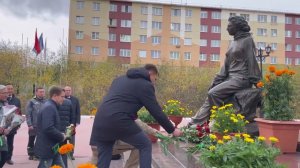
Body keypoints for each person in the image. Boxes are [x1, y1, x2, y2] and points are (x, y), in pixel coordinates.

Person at [90, 64, 182, 168]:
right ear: (151, 74)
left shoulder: (119, 80)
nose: (154, 82)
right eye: (155, 79)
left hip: (100, 121)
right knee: (145, 144)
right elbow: (155, 110)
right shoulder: (146, 85)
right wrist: (172, 129)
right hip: (119, 119)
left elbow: (120, 102)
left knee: (105, 154)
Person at [191, 16, 261, 125]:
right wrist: (217, 80)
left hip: (241, 78)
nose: (227, 28)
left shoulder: (247, 40)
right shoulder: (232, 43)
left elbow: (252, 61)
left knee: (213, 93)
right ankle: (195, 123)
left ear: (237, 27)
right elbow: (226, 65)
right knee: (210, 95)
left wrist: (257, 82)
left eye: (229, 26)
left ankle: (221, 120)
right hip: (230, 78)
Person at [91, 119, 160, 168]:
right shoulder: (123, 110)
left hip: (96, 145)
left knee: (95, 160)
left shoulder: (107, 108)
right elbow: (139, 123)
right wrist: (157, 133)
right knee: (141, 144)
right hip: (107, 146)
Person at [34, 86, 66, 168]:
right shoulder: (49, 107)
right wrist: (61, 136)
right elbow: (48, 128)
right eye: (62, 96)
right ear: (55, 96)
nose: (64, 99)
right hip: (47, 147)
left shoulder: (51, 106)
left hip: (53, 147)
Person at [25, 87, 46, 160]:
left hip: (43, 125)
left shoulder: (46, 101)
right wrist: (29, 124)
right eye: (40, 92)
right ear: (36, 93)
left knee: (41, 140)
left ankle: (38, 153)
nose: (42, 93)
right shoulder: (31, 101)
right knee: (31, 139)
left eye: (43, 92)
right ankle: (31, 154)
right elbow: (28, 114)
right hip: (33, 125)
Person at [5, 84, 21, 165]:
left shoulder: (17, 100)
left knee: (10, 143)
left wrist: (18, 125)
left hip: (12, 126)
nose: (10, 90)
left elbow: (19, 113)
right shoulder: (2, 99)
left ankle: (8, 158)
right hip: (1, 126)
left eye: (11, 89)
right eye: (8, 89)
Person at [58, 99, 75, 168]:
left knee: (56, 150)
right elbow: (72, 117)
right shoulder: (69, 102)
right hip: (65, 129)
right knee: (63, 150)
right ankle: (64, 166)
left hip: (57, 130)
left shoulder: (53, 103)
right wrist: (71, 128)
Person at [64, 86, 80, 160]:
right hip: (63, 123)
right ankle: (62, 154)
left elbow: (78, 111)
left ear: (71, 91)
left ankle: (70, 154)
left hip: (71, 124)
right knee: (63, 140)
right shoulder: (61, 98)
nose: (67, 91)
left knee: (71, 140)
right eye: (66, 90)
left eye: (69, 90)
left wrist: (77, 121)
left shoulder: (75, 100)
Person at [0, 85, 10, 168]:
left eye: (7, 93)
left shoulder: (6, 104)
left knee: (4, 155)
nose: (7, 95)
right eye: (4, 93)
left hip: (2, 135)